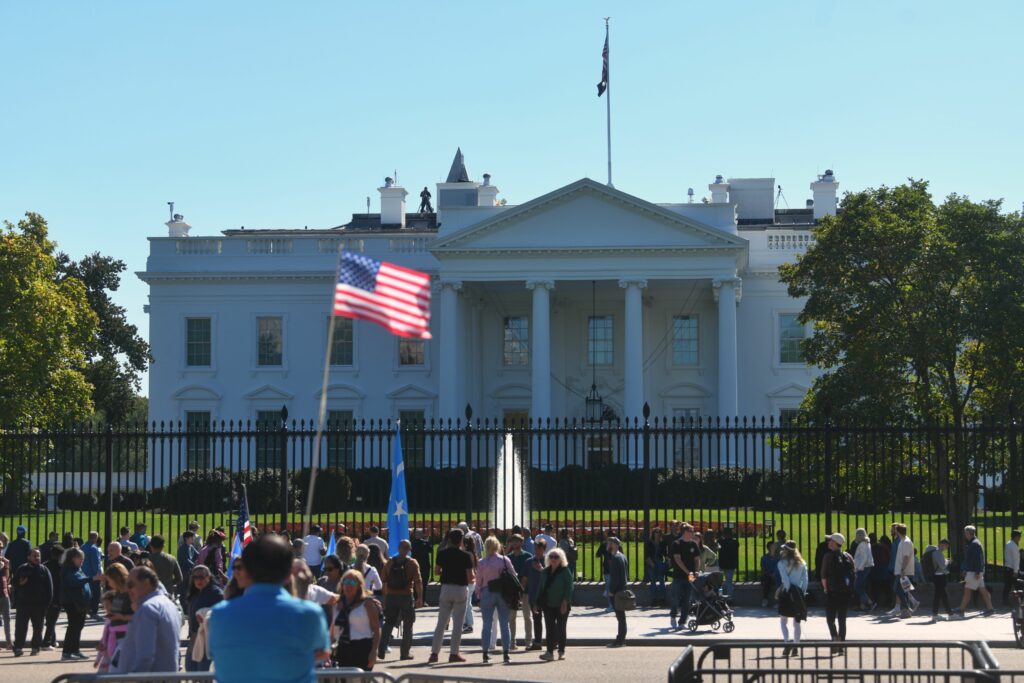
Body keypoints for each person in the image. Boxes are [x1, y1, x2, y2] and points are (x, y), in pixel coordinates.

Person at [209, 534, 330, 682]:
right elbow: (322, 653)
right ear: (289, 574)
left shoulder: (220, 614)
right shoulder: (310, 614)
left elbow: (215, 654)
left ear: (245, 571)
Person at [111, 566, 182, 673]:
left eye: (130, 585)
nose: (127, 590)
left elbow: (145, 656)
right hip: (165, 676)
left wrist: (134, 678)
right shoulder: (168, 604)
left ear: (146, 583)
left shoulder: (147, 609)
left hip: (149, 678)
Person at [429, 528, 475, 664]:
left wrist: (447, 571)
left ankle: (434, 653)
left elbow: (437, 571)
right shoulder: (466, 556)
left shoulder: (442, 553)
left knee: (441, 623)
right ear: (461, 540)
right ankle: (454, 653)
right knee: (458, 624)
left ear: (449, 539)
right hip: (460, 588)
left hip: (446, 588)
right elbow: (470, 577)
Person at [378, 539, 423, 662]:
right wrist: (420, 597)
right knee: (408, 624)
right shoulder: (412, 563)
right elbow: (418, 581)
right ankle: (404, 653)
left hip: (391, 596)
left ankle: (381, 649)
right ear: (409, 549)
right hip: (406, 596)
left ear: (398, 549)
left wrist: (385, 598)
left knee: (389, 622)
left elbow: (383, 580)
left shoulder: (389, 562)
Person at [475, 536, 517, 664]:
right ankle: (506, 653)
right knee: (504, 624)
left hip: (487, 591)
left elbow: (478, 581)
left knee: (487, 624)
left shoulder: (482, 562)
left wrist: (478, 596)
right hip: (503, 592)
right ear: (498, 546)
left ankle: (485, 653)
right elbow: (513, 575)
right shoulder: (504, 560)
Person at [332, 569, 381, 670]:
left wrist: (374, 651)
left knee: (361, 677)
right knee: (343, 678)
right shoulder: (338, 603)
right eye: (346, 582)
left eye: (352, 582)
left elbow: (377, 630)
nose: (348, 585)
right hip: (342, 648)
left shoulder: (367, 603)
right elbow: (333, 629)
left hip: (362, 648)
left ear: (359, 585)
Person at [535, 547, 573, 661]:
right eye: (551, 557)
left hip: (562, 604)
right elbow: (540, 588)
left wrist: (565, 602)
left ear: (561, 559)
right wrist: (536, 603)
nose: (553, 559)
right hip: (548, 604)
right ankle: (549, 652)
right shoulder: (545, 572)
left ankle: (561, 651)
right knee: (549, 629)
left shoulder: (565, 571)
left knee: (561, 628)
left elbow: (569, 588)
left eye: (556, 557)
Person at [12, 548, 52, 656]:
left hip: (39, 605)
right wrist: (20, 583)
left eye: (38, 555)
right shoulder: (22, 568)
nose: (37, 557)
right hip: (23, 604)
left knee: (38, 627)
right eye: (34, 555)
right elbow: (14, 583)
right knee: (20, 627)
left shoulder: (44, 570)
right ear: (28, 557)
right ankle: (18, 647)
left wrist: (46, 604)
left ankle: (35, 647)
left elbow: (50, 588)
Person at [819, 534, 854, 655]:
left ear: (834, 543)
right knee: (842, 620)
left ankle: (835, 639)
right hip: (845, 593)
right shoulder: (848, 556)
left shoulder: (828, 556)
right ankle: (842, 645)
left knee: (830, 619)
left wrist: (826, 589)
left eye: (830, 540)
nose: (828, 542)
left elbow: (823, 575)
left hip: (832, 592)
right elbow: (853, 573)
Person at [184, 565, 223, 672]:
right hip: (194, 640)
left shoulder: (216, 594)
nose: (198, 580)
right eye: (195, 577)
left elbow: (221, 618)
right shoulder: (194, 594)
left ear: (209, 577)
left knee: (202, 675)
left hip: (207, 642)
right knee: (191, 670)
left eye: (201, 576)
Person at [953, 525, 995, 618]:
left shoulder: (974, 544)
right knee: (983, 590)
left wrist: (977, 572)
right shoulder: (975, 543)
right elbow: (976, 559)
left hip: (974, 571)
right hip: (976, 571)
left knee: (967, 591)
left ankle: (961, 609)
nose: (965, 535)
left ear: (969, 533)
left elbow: (977, 559)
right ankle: (990, 608)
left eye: (965, 533)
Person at [777, 542, 808, 657]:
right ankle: (796, 646)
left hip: (787, 593)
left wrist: (788, 590)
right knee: (797, 622)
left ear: (786, 551)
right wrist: (801, 592)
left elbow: (785, 579)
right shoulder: (802, 563)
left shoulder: (781, 563)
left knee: (783, 620)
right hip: (798, 593)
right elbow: (805, 580)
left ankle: (787, 643)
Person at [60, 547, 91, 661]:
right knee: (73, 626)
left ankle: (75, 650)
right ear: (73, 558)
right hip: (72, 602)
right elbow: (74, 581)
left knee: (78, 626)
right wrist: (91, 579)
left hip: (79, 602)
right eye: (80, 558)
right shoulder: (69, 569)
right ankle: (67, 652)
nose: (82, 560)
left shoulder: (77, 568)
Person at [669, 523, 702, 630]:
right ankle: (673, 615)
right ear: (685, 532)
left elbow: (697, 559)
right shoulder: (677, 543)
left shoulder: (693, 544)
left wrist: (696, 571)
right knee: (675, 598)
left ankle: (682, 622)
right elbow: (677, 559)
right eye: (691, 531)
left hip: (690, 576)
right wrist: (688, 572)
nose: (693, 533)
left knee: (687, 600)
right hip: (679, 576)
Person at [507, 534, 533, 649]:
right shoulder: (508, 557)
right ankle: (512, 642)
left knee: (527, 616)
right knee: (511, 617)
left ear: (522, 543)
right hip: (512, 592)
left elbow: (530, 574)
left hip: (526, 590)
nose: (515, 543)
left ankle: (528, 641)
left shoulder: (528, 556)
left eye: (517, 541)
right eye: (513, 541)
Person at [889, 523, 918, 618]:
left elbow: (906, 557)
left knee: (898, 589)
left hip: (904, 571)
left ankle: (907, 609)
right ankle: (909, 607)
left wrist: (902, 570)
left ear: (898, 531)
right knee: (903, 590)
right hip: (902, 570)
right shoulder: (903, 541)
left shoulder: (905, 542)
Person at [606, 536, 629, 647]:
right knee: (621, 616)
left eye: (608, 543)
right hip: (622, 589)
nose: (607, 545)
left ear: (614, 545)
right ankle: (621, 638)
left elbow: (615, 578)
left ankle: (620, 639)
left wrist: (611, 591)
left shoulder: (615, 558)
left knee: (620, 616)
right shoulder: (622, 556)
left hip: (617, 591)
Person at [525, 538, 547, 650]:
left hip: (547, 595)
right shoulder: (529, 562)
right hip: (534, 595)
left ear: (544, 549)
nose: (537, 551)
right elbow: (525, 578)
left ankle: (552, 641)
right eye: (536, 548)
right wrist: (522, 591)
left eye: (540, 549)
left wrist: (542, 570)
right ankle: (537, 642)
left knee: (549, 619)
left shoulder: (549, 561)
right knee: (536, 619)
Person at [42, 544, 63, 649]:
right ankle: (46, 642)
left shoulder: (45, 565)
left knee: (50, 620)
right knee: (52, 621)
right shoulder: (60, 567)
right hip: (56, 597)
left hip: (45, 596)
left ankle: (53, 640)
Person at [929, 539, 953, 621]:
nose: (946, 548)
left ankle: (936, 614)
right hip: (940, 577)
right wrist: (948, 562)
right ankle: (950, 614)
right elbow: (942, 566)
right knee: (942, 596)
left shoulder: (936, 552)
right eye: (946, 546)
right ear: (942, 545)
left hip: (937, 576)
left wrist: (945, 561)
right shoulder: (937, 553)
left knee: (939, 596)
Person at [644, 528, 668, 605]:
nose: (657, 534)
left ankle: (662, 599)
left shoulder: (662, 543)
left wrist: (667, 561)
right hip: (652, 562)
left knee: (662, 581)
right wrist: (651, 563)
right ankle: (653, 599)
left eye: (658, 532)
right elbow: (647, 555)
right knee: (653, 581)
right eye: (655, 532)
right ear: (653, 534)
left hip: (660, 562)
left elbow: (665, 553)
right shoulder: (650, 543)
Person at [82, 531, 103, 618]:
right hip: (93, 575)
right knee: (95, 594)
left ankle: (86, 611)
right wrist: (99, 574)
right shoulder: (94, 548)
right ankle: (94, 612)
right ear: (95, 538)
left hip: (84, 574)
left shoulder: (82, 547)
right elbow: (96, 564)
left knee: (86, 594)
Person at [852, 528, 875, 611]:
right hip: (866, 566)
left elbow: (864, 558)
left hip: (863, 567)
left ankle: (869, 602)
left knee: (857, 586)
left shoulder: (862, 544)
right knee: (862, 586)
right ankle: (863, 605)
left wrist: (859, 568)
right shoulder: (867, 543)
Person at [461, 534, 479, 633]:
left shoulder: (466, 554)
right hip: (472, 581)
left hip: (467, 581)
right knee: (468, 603)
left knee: (466, 604)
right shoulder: (472, 553)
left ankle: (468, 624)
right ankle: (467, 623)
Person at [718, 527, 740, 599]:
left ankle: (719, 597)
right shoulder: (735, 542)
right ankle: (730, 598)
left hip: (722, 563)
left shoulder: (721, 541)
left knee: (719, 582)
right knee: (729, 582)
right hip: (731, 564)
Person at [1005, 530, 1021, 607]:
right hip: (1012, 569)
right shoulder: (1013, 546)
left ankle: (1005, 602)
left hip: (1008, 568)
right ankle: (1019, 601)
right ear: (1016, 537)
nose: (1020, 538)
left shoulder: (1009, 543)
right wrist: (1016, 571)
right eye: (1019, 536)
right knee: (1018, 586)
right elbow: (1016, 559)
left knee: (1008, 586)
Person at [0, 538, 11, 650]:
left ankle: (9, 642)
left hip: (4, 592)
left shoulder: (4, 562)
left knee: (7, 618)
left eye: (1, 548)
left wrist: (6, 566)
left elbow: (7, 578)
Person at [761, 541, 779, 608]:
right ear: (769, 548)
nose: (775, 547)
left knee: (779, 580)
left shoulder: (778, 557)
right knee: (767, 579)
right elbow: (763, 569)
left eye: (775, 546)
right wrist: (769, 574)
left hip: (776, 575)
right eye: (773, 546)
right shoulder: (764, 557)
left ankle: (778, 602)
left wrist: (774, 574)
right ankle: (765, 599)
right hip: (768, 575)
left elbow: (780, 568)